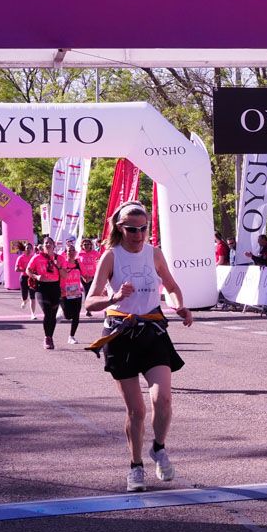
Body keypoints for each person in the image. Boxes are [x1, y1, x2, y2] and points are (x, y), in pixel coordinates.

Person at [84, 201, 193, 493]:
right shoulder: (110, 257)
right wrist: (113, 297)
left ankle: (158, 448)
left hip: (153, 332)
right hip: (121, 335)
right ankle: (135, 467)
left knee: (164, 399)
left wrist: (180, 307)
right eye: (132, 229)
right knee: (137, 411)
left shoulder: (154, 254)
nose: (138, 234)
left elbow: (171, 286)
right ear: (119, 228)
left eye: (143, 228)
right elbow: (90, 302)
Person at [26, 237, 65, 350]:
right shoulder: (37, 257)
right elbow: (28, 270)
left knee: (52, 315)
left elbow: (65, 275)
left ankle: (50, 337)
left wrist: (59, 266)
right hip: (42, 288)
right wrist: (36, 276)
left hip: (55, 287)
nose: (48, 244)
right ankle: (47, 338)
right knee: (47, 312)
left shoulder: (60, 258)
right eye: (45, 243)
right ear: (43, 246)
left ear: (54, 245)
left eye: (50, 243)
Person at [59, 240, 86, 345]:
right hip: (64, 292)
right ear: (66, 252)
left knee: (76, 315)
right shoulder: (63, 263)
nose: (71, 252)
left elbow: (85, 277)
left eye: (73, 250)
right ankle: (61, 312)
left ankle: (71, 336)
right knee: (67, 316)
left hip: (77, 293)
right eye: (69, 250)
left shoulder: (79, 263)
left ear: (75, 252)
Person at [78, 237, 100, 316]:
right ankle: (88, 309)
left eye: (88, 244)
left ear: (91, 245)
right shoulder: (79, 254)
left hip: (93, 276)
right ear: (82, 246)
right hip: (83, 277)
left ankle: (89, 307)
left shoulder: (95, 253)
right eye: (84, 244)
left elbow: (100, 261)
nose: (86, 246)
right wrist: (83, 276)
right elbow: (78, 265)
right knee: (86, 292)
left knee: (92, 292)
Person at [15, 243, 38, 319]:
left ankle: (32, 314)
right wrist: (25, 270)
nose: (28, 250)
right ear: (24, 249)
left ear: (32, 249)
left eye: (30, 248)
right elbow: (16, 269)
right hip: (24, 278)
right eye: (27, 248)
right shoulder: (20, 258)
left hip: (31, 278)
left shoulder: (34, 258)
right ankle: (24, 300)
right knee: (24, 296)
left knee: (32, 296)